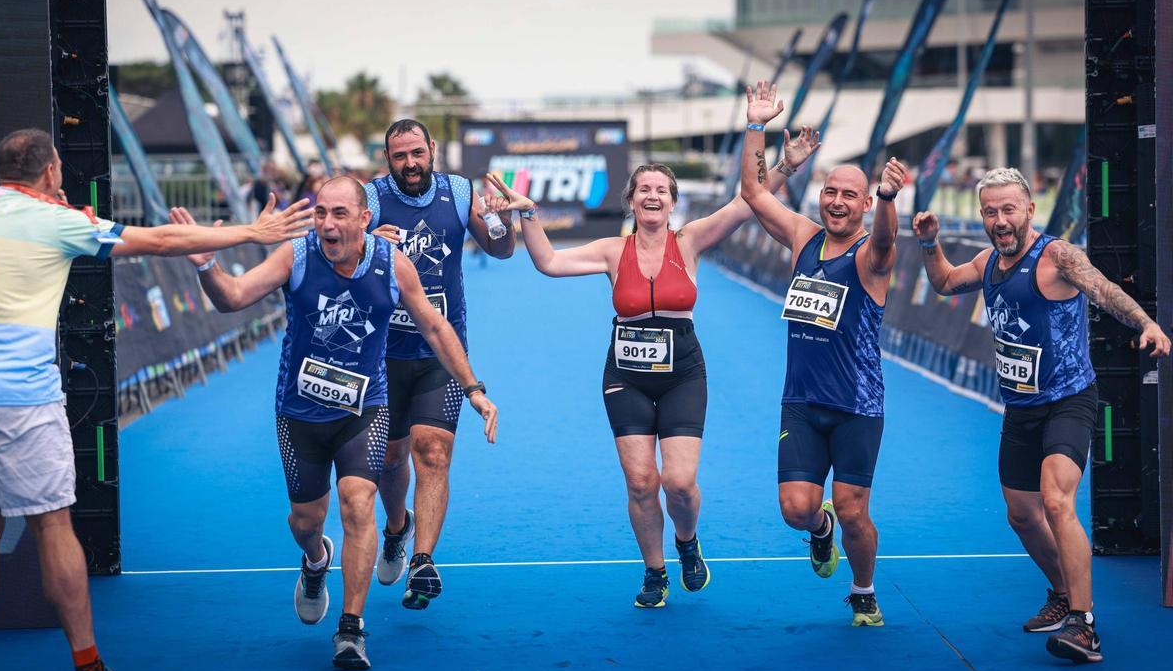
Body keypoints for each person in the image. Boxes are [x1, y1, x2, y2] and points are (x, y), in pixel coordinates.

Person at [0, 129, 312, 671]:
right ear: (51, 172)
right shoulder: (60, 222)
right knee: (53, 526)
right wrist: (252, 231)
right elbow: (157, 240)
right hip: (21, 399)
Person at [483, 94, 819, 608]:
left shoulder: (690, 242)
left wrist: (784, 166)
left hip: (684, 370)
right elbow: (548, 262)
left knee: (679, 483)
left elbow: (745, 202)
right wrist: (528, 213)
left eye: (662, 189)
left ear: (673, 200)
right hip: (626, 374)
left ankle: (686, 542)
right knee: (642, 481)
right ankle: (654, 571)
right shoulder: (610, 251)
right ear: (632, 200)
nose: (653, 196)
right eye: (645, 189)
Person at [170, 176, 497, 669]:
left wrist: (473, 388)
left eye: (339, 213)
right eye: (321, 212)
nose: (327, 223)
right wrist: (207, 265)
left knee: (358, 504)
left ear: (364, 219)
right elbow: (233, 297)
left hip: (365, 409)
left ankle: (351, 628)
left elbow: (434, 325)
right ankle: (316, 560)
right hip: (299, 414)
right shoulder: (296, 257)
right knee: (306, 522)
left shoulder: (391, 264)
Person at [912, 168, 1171, 664]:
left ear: (1030, 209)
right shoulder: (988, 262)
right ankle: (1060, 594)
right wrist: (929, 243)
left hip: (1069, 400)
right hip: (1020, 407)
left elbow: (1105, 290)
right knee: (1021, 515)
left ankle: (1084, 623)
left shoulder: (1056, 257)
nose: (1000, 220)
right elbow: (944, 282)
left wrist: (1146, 323)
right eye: (991, 211)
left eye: (1009, 209)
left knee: (1056, 500)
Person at [738, 82, 902, 627]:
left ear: (861, 203)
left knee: (856, 511)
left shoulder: (870, 257)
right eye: (831, 191)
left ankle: (863, 589)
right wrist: (757, 128)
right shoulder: (804, 237)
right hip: (802, 401)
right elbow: (755, 196)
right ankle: (820, 530)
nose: (836, 201)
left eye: (848, 196)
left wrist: (884, 200)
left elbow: (883, 242)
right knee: (797, 510)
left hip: (857, 406)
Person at [363, 119, 513, 610]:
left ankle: (423, 560)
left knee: (432, 452)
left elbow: (501, 249)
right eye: (399, 156)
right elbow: (336, 262)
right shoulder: (370, 199)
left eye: (417, 153)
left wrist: (498, 220)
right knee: (389, 460)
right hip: (383, 355)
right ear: (388, 159)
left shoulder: (460, 191)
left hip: (441, 353)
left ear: (432, 149)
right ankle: (396, 528)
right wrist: (365, 245)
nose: (410, 164)